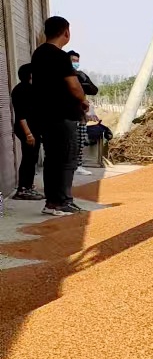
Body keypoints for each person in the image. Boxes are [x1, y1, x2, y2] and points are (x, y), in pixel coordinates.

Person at [31, 16, 90, 216]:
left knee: (53, 159)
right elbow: (74, 86)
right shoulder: (59, 56)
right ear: (66, 32)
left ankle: (52, 202)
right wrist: (84, 101)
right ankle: (62, 201)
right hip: (62, 116)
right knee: (66, 159)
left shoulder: (38, 54)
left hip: (45, 115)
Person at [10, 62, 42, 201]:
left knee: (32, 158)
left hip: (33, 129)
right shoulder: (21, 90)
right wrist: (28, 134)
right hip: (27, 130)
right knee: (28, 158)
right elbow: (21, 115)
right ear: (30, 74)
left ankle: (28, 186)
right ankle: (23, 189)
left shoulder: (29, 88)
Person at [66, 50, 98, 174]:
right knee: (70, 143)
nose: (75, 63)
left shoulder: (80, 75)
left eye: (77, 61)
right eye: (73, 61)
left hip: (80, 114)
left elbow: (94, 90)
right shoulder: (63, 76)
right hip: (68, 115)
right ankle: (71, 165)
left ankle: (78, 165)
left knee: (80, 141)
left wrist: (84, 82)